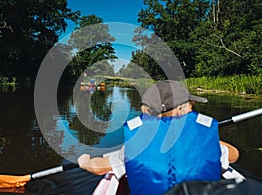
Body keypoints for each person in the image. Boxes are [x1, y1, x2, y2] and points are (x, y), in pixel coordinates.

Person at [77, 80, 239, 194]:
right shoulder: (206, 143)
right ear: (180, 110)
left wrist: (84, 161)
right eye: (191, 105)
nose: (193, 109)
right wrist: (207, 139)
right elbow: (234, 155)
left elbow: (97, 167)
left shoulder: (136, 145)